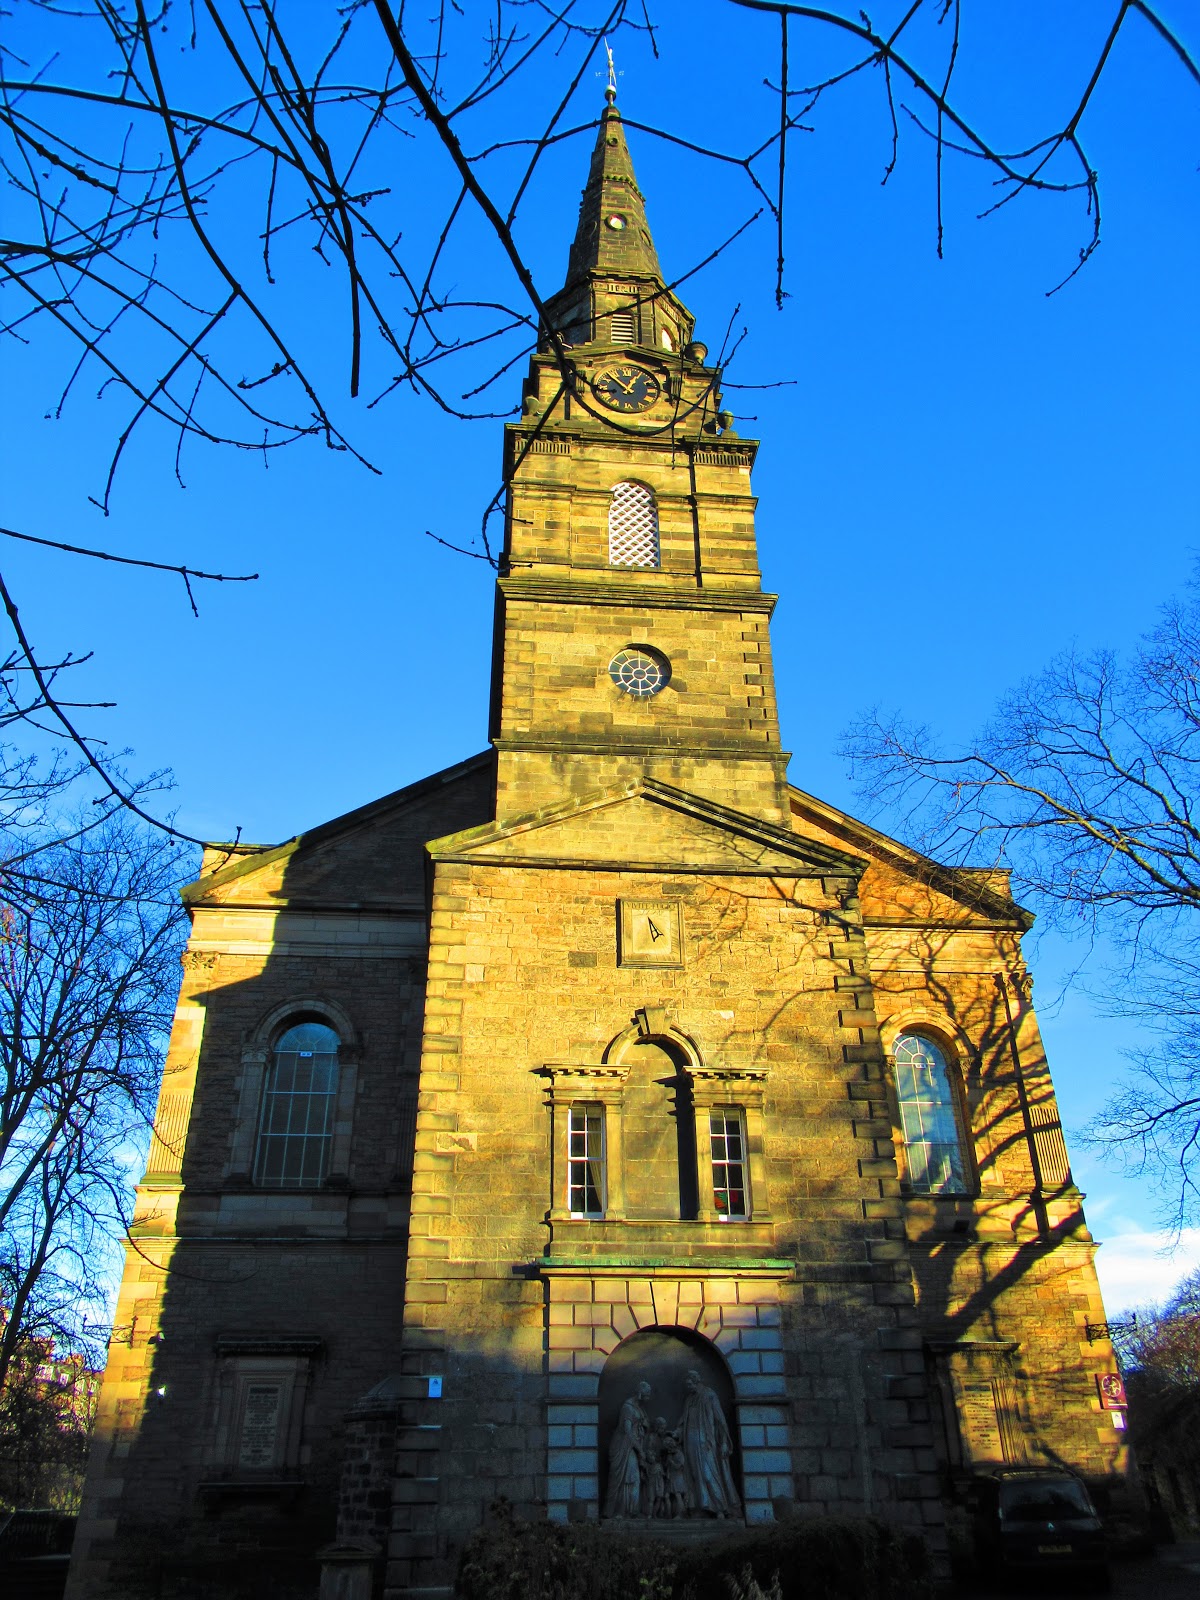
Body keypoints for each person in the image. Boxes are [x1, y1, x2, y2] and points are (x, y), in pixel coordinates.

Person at [680, 1369, 740, 1517]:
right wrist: (676, 1432)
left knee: (708, 1474)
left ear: (696, 1381)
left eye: (689, 1384)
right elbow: (683, 1420)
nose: (688, 1387)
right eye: (686, 1385)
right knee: (694, 1475)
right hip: (690, 1440)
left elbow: (720, 1421)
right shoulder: (689, 1399)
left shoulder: (709, 1395)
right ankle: (702, 1507)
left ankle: (721, 1507)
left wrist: (724, 1442)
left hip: (706, 1441)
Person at [603, 1380, 651, 1518]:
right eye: (647, 1395)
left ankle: (632, 1511)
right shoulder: (628, 1407)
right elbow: (627, 1431)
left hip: (632, 1447)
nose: (648, 1398)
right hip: (623, 1447)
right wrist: (640, 1450)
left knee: (634, 1478)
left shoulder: (639, 1408)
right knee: (628, 1478)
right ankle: (621, 1511)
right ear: (640, 1393)